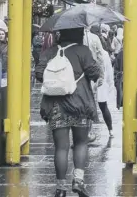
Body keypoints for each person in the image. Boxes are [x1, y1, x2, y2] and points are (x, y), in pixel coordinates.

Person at [35, 28, 101, 197]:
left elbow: (39, 74)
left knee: (61, 147)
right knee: (80, 143)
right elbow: (94, 73)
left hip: (56, 105)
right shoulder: (82, 51)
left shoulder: (50, 51)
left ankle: (60, 188)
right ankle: (78, 182)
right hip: (80, 104)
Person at [96, 43, 115, 137]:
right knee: (104, 107)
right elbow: (109, 70)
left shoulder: (87, 51)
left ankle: (87, 133)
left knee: (87, 108)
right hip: (101, 84)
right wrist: (110, 83)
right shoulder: (105, 54)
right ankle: (110, 130)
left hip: (90, 83)